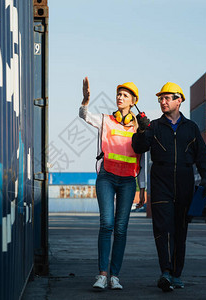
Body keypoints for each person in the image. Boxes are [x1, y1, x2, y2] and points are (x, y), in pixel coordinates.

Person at [132, 82, 206, 292]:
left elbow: (202, 156)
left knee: (180, 230)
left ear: (179, 100)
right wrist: (141, 130)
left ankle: (176, 274)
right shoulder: (154, 127)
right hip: (161, 183)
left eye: (167, 98)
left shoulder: (191, 128)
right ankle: (166, 272)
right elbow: (139, 147)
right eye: (160, 99)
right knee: (162, 229)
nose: (162, 102)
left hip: (185, 183)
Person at [79, 77, 149, 290]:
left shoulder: (140, 128)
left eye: (125, 95)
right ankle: (102, 274)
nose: (120, 97)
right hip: (107, 178)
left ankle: (115, 276)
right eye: (119, 94)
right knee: (106, 224)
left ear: (133, 101)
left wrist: (143, 188)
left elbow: (143, 159)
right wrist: (85, 100)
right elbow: (83, 116)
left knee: (121, 228)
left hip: (128, 180)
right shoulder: (105, 120)